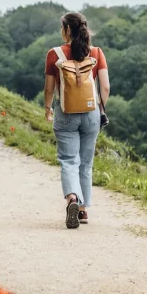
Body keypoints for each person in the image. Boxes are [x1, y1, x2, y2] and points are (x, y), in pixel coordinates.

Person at [44, 12, 110, 229]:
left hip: (65, 113)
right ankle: (83, 210)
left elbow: (49, 88)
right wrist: (100, 108)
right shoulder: (96, 53)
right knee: (85, 162)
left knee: (68, 160)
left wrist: (47, 108)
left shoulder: (54, 54)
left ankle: (72, 198)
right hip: (91, 113)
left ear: (66, 29)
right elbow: (106, 87)